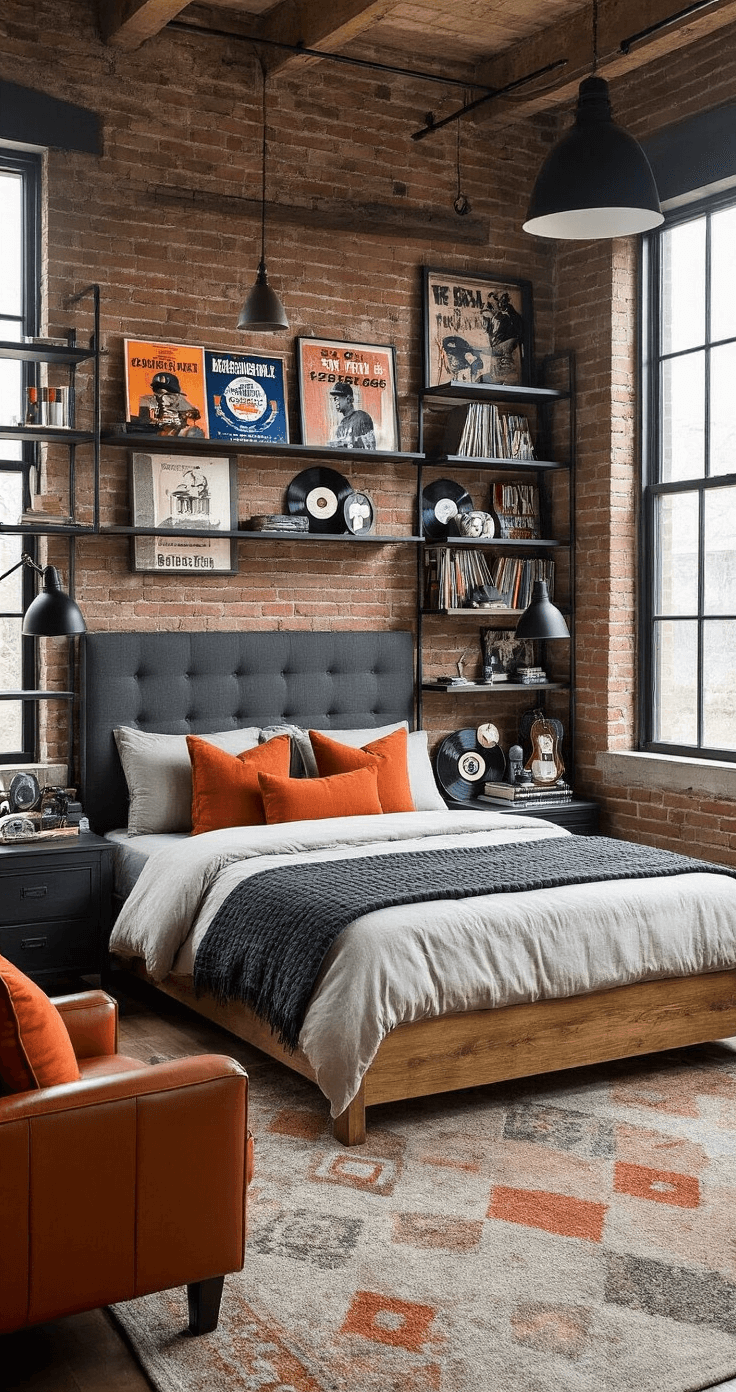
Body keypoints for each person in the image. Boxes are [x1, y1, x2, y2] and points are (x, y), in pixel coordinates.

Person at [480, 291, 524, 380]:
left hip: (506, 366)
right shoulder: (495, 319)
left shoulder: (507, 319)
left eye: (491, 305)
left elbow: (504, 346)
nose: (487, 308)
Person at [326, 381, 376, 449]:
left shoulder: (362, 417)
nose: (335, 402)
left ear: (348, 399)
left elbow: (371, 443)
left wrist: (346, 443)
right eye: (334, 399)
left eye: (337, 398)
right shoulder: (342, 424)